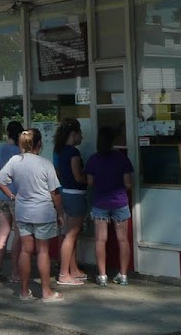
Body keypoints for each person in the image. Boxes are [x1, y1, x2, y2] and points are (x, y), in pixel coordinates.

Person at [0, 128, 65, 303]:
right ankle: (46, 292)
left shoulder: (15, 161)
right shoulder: (45, 164)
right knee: (43, 251)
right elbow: (55, 193)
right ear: (39, 144)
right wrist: (60, 213)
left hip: (22, 211)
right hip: (43, 212)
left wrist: (12, 195)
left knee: (26, 250)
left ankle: (24, 291)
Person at [85, 126, 135, 286]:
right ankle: (124, 275)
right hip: (119, 202)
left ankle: (102, 275)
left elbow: (90, 182)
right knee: (123, 240)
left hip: (100, 202)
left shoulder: (93, 159)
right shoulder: (121, 158)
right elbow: (128, 183)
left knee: (100, 240)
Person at [53, 118, 89, 285]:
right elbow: (78, 176)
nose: (81, 137)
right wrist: (90, 179)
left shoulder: (60, 152)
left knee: (70, 234)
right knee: (71, 234)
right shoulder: (74, 153)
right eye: (80, 133)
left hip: (65, 193)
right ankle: (64, 274)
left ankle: (73, 269)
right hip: (75, 195)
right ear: (73, 134)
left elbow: (60, 173)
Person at [0, 120, 24, 282]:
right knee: (18, 235)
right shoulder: (20, 153)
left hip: (1, 196)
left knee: (3, 233)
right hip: (16, 197)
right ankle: (14, 272)